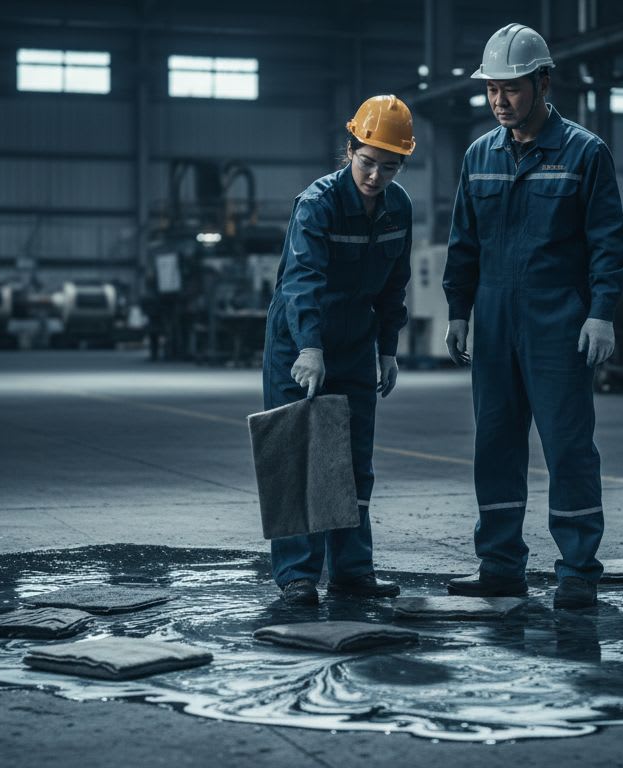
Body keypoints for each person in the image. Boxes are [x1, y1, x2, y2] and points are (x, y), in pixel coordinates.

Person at [442, 23, 623, 609]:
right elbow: (462, 244)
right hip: (494, 319)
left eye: (512, 89)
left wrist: (602, 313)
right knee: (494, 443)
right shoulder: (479, 155)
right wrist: (458, 311)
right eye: (492, 90)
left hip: (558, 321)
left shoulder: (584, 152)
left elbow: (608, 242)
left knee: (568, 445)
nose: (500, 101)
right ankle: (499, 564)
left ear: (542, 82)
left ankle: (577, 570)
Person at [262, 95, 415, 606]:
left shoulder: (399, 208)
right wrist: (308, 347)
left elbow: (395, 283)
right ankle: (297, 574)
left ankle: (352, 570)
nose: (374, 176)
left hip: (354, 345)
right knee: (297, 454)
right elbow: (301, 282)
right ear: (349, 150)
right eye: (367, 162)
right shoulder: (316, 205)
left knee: (352, 462)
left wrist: (388, 349)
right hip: (299, 343)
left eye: (388, 167)